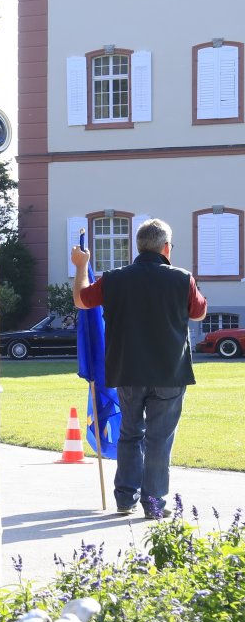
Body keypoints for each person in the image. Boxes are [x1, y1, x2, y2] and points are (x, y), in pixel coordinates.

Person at [72, 218, 207, 519]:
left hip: (128, 370)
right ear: (166, 247)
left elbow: (82, 300)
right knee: (159, 439)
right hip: (169, 372)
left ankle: (125, 498)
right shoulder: (182, 278)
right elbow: (199, 313)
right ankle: (154, 503)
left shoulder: (115, 278)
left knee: (130, 434)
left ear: (138, 246)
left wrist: (82, 266)